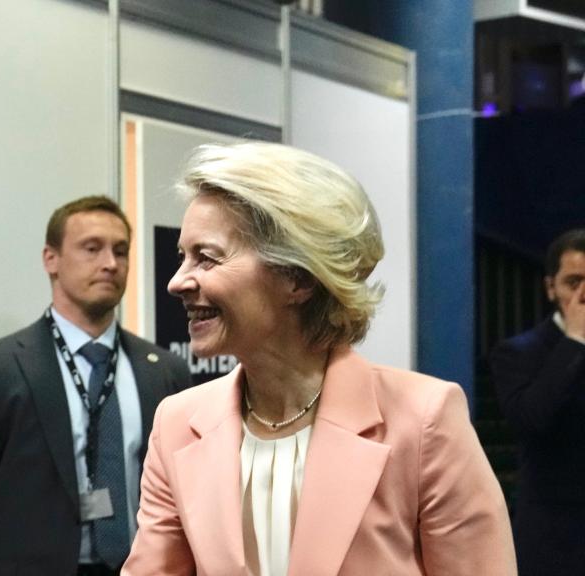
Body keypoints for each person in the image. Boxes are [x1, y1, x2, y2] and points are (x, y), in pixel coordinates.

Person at [123, 142, 516, 575]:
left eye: (207, 258)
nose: (178, 282)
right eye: (183, 257)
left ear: (298, 278)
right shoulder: (177, 424)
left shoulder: (424, 420)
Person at [0, 196, 192, 576]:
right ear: (51, 259)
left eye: (120, 251)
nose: (110, 263)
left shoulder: (164, 371)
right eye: (92, 248)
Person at [491, 228, 585, 576]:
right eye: (574, 282)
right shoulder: (518, 352)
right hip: (554, 536)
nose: (583, 294)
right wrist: (575, 340)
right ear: (551, 287)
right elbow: (530, 420)